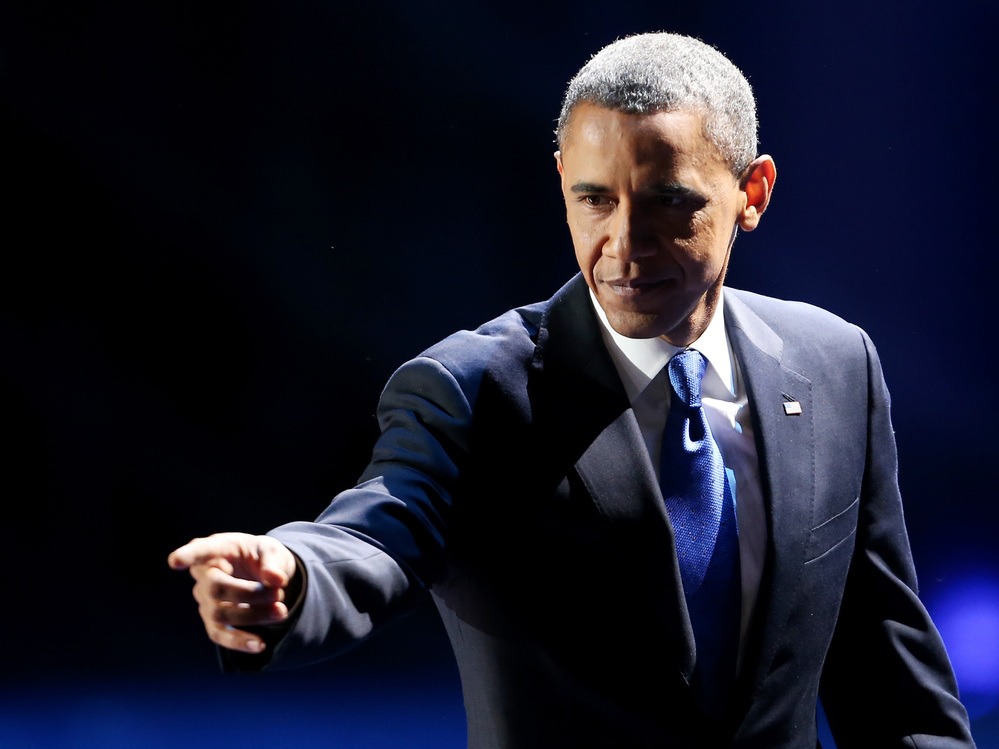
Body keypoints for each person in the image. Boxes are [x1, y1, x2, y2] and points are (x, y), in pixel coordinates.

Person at [169, 32, 976, 748]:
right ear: (561, 181)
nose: (622, 243)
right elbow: (378, 532)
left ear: (751, 193)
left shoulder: (834, 364)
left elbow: (885, 664)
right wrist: (290, 572)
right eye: (594, 198)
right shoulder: (472, 385)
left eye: (669, 202)